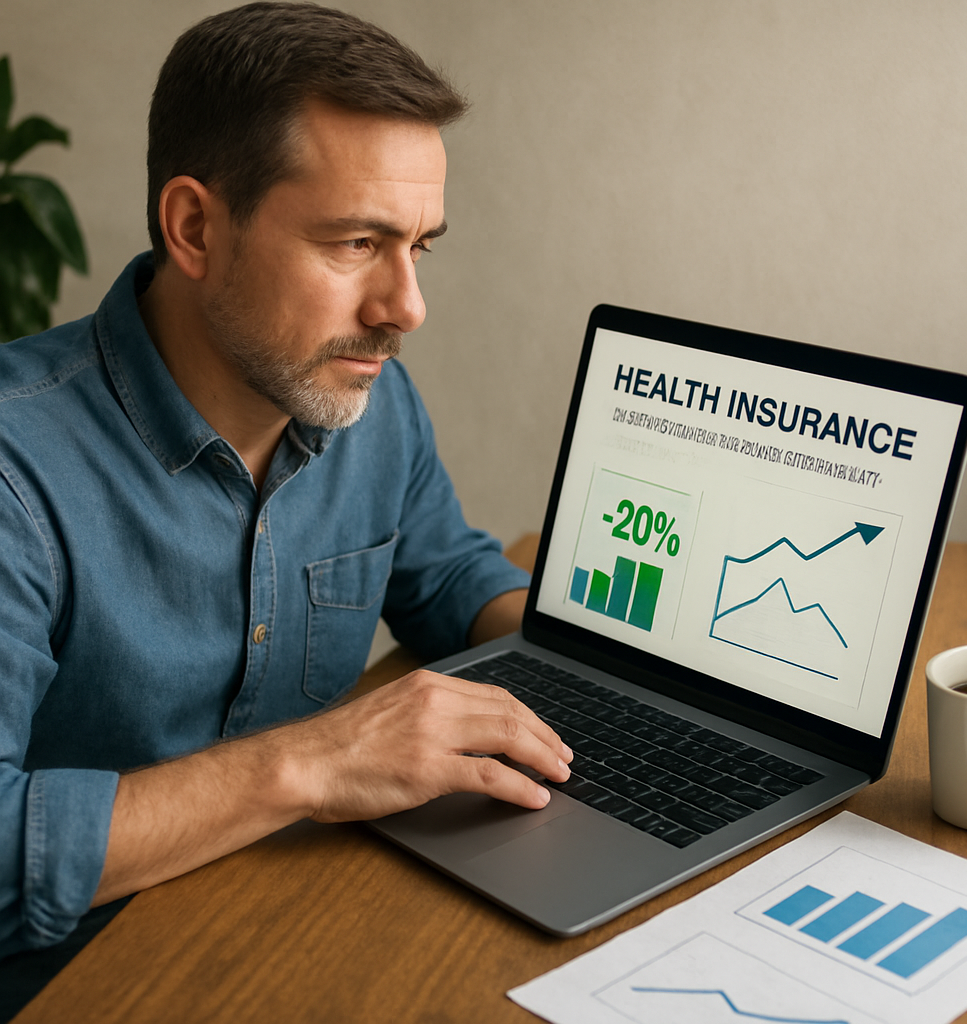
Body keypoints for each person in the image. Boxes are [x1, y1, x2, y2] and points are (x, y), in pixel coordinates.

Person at [0, 1, 571, 1005]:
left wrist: (617, 656)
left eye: (419, 246)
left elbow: (445, 577)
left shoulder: (367, 398)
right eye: (357, 242)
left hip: (283, 936)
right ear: (194, 227)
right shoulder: (17, 470)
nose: (405, 308)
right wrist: (313, 763)